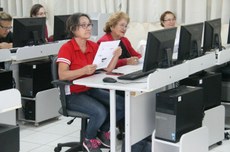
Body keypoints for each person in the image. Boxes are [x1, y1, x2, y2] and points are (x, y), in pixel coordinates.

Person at [56, 13, 125, 152]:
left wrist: (116, 56)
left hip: (89, 89)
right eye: (83, 25)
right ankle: (89, 139)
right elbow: (62, 74)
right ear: (73, 29)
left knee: (121, 105)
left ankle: (102, 132)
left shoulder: (93, 46)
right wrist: (83, 70)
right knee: (100, 112)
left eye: (89, 25)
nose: (88, 28)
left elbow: (108, 68)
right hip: (73, 94)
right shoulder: (67, 48)